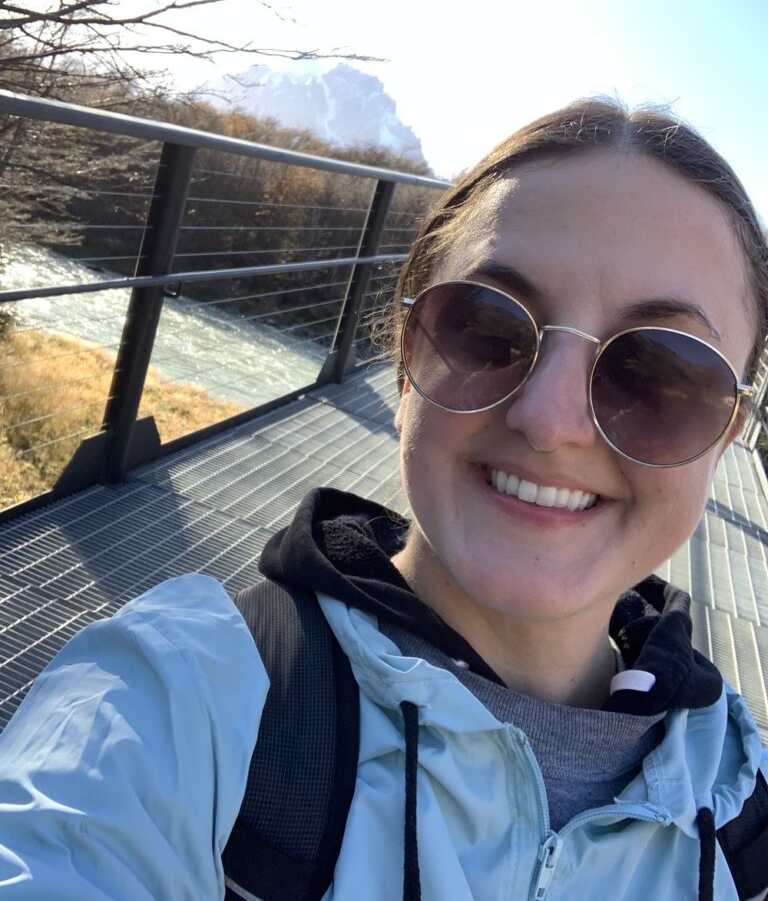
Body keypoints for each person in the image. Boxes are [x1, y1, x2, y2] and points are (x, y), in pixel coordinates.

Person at [0, 99, 766, 900]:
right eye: (487, 326)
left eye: (659, 373)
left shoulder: (746, 816)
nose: (547, 420)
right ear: (407, 358)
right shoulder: (184, 697)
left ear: (728, 434)